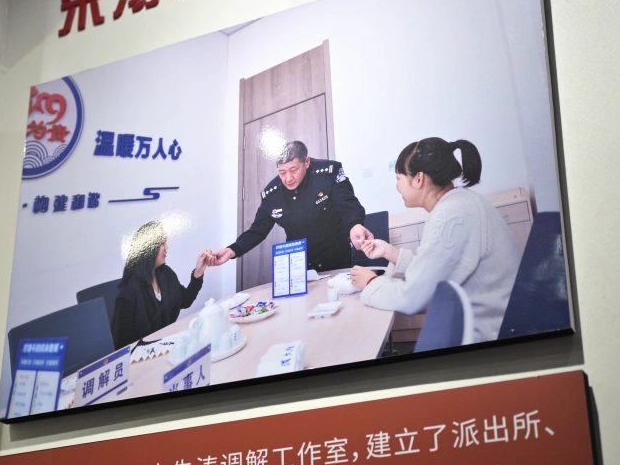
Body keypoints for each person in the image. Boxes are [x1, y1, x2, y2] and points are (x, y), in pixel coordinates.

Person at [349, 137, 521, 344]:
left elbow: (412, 298)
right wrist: (388, 251)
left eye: (398, 178)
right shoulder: (461, 201)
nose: (397, 186)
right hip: (500, 320)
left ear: (419, 179)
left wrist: (371, 282)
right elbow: (437, 269)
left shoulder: (450, 216)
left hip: (490, 335)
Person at [210, 140, 372, 273]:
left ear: (306, 162)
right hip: (299, 264)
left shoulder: (328, 173)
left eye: (293, 169)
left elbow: (347, 203)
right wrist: (232, 250)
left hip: (337, 255)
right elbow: (258, 230)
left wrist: (355, 225)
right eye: (282, 172)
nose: (288, 178)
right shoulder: (272, 194)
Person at [111, 220, 214, 348]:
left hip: (166, 346)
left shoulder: (166, 274)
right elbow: (122, 344)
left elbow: (185, 301)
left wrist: (198, 273)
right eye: (162, 243)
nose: (167, 247)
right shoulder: (130, 291)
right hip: (143, 354)